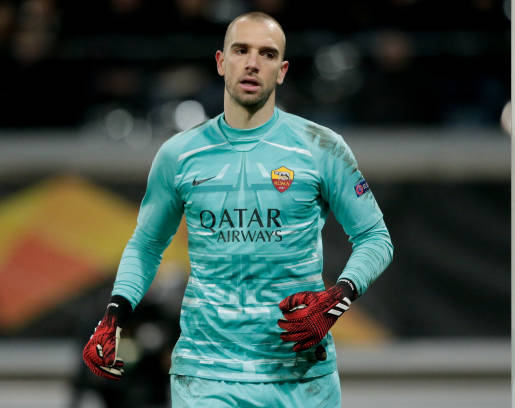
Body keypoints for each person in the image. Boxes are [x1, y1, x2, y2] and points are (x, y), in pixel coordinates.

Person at [82, 11, 393, 407]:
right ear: (220, 61)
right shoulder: (178, 155)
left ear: (281, 71)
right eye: (241, 50)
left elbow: (375, 238)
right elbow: (146, 245)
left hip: (300, 377)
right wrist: (114, 315)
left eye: (266, 54)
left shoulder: (322, 147)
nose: (251, 63)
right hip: (206, 374)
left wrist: (340, 296)